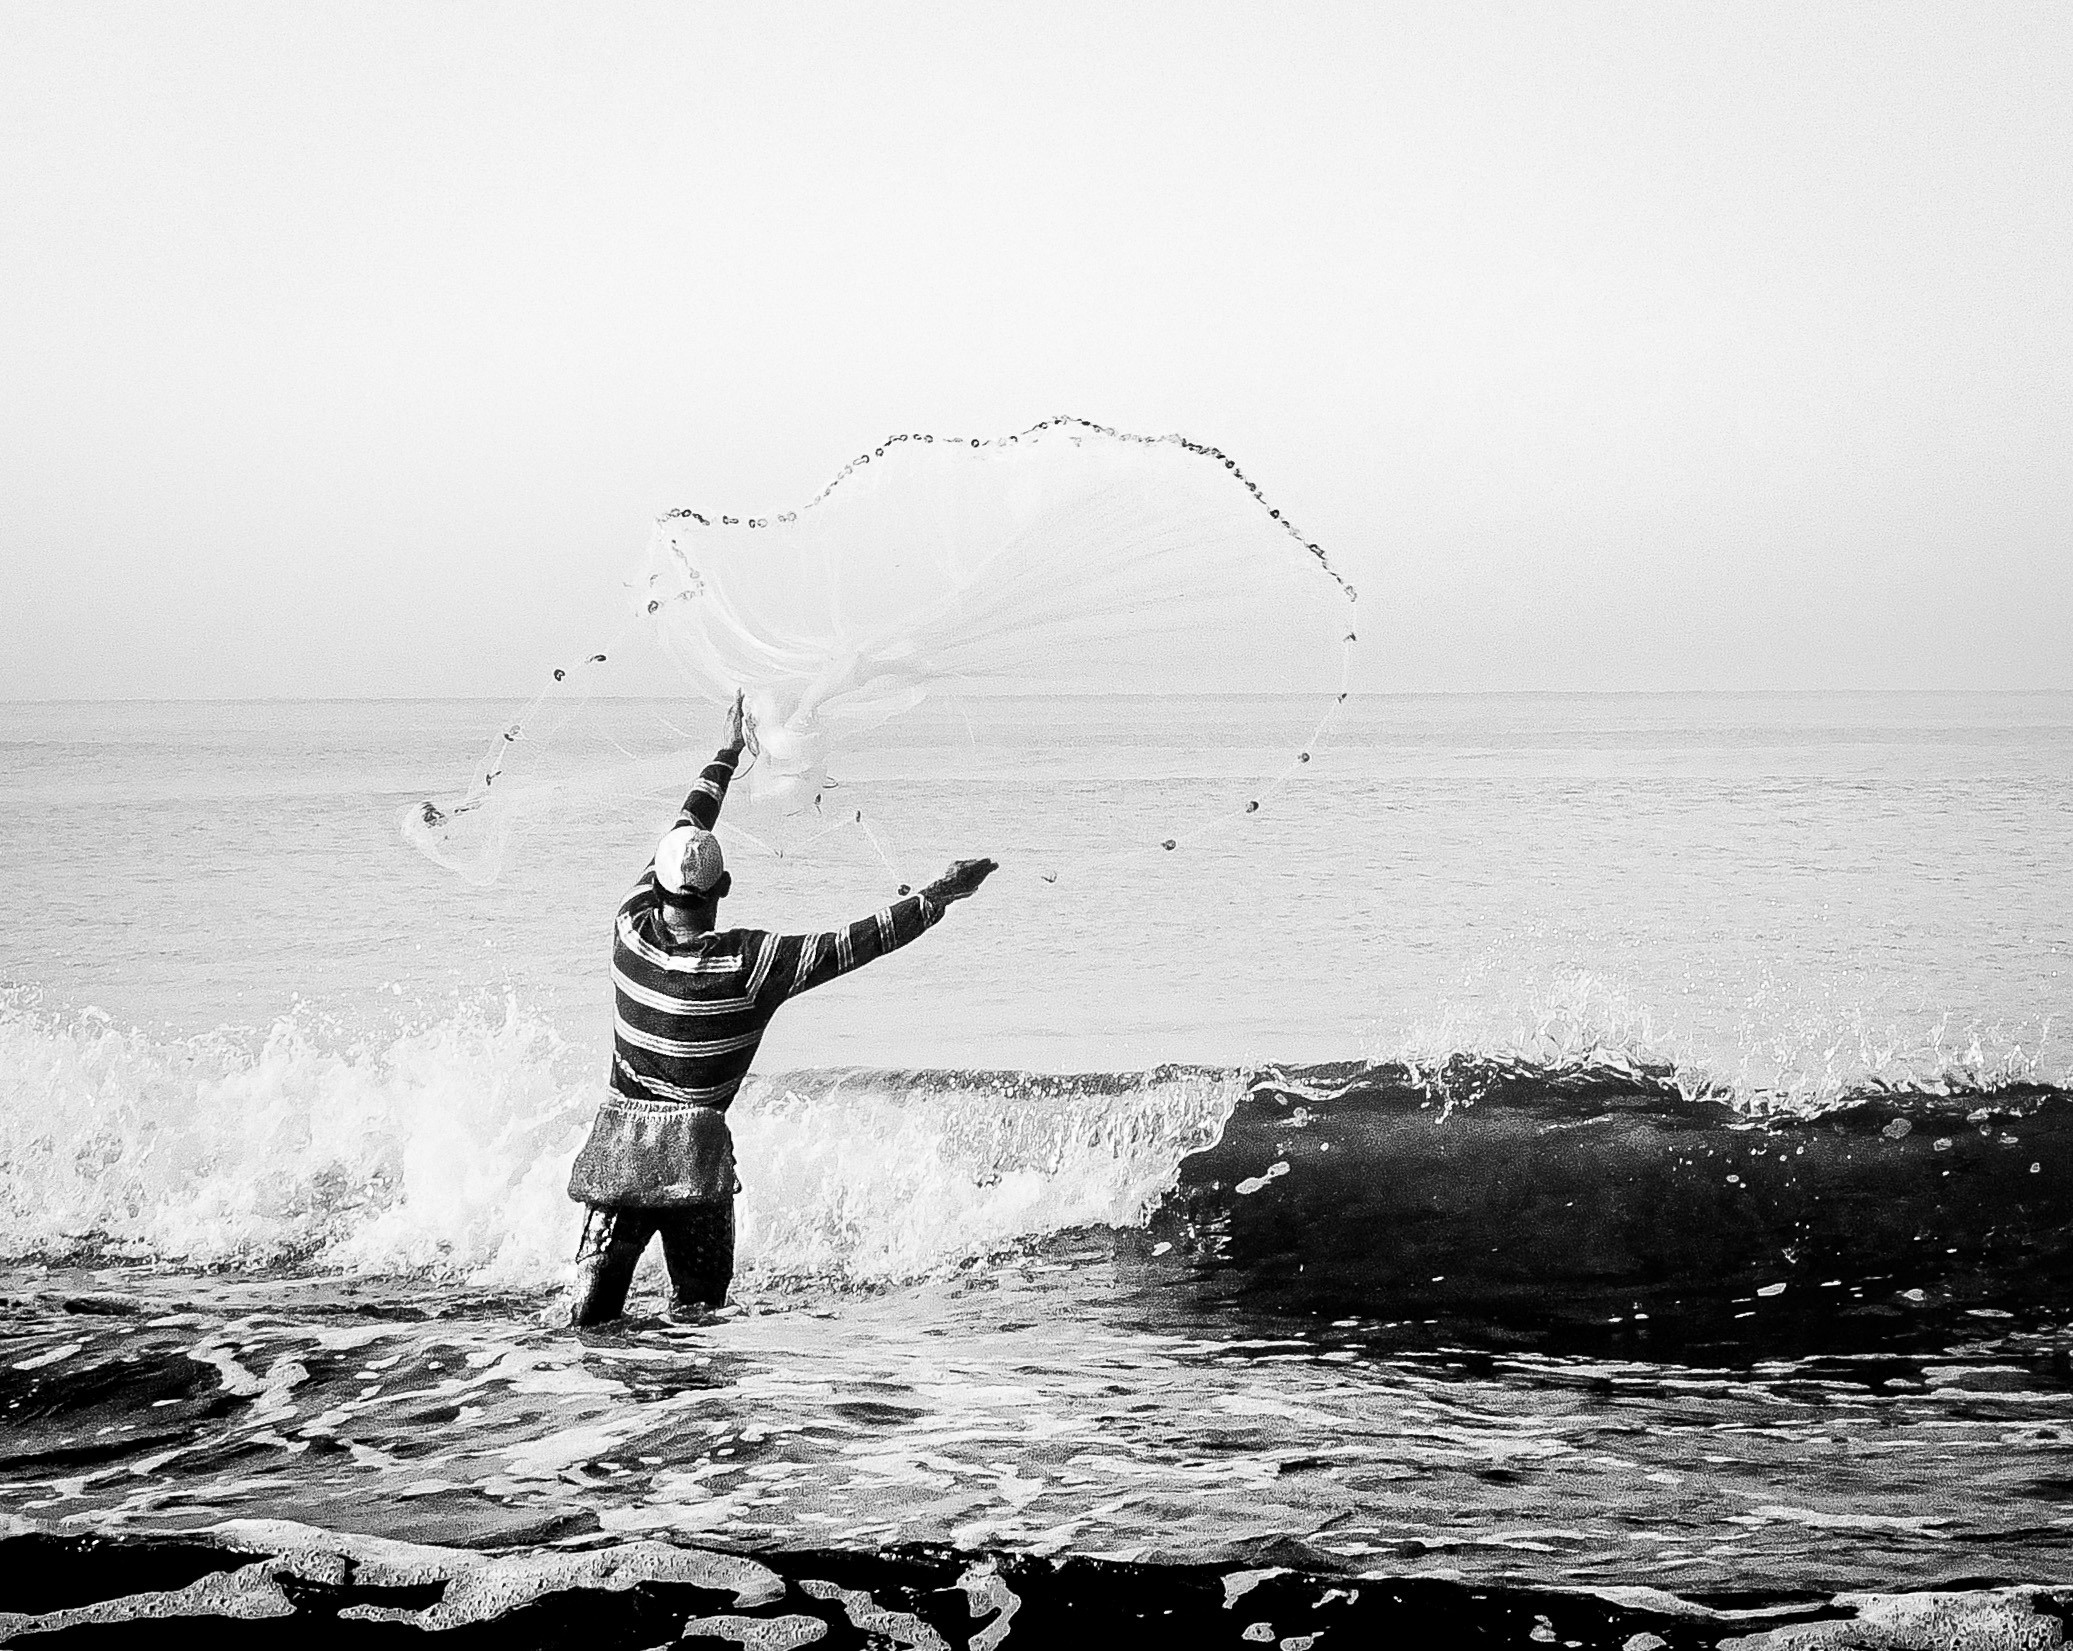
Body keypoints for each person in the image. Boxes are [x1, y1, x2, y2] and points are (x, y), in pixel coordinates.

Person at [566, 692, 996, 1326]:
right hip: (695, 1167)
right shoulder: (752, 966)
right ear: (725, 889)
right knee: (698, 1325)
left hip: (618, 1159)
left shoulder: (629, 929)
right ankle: (690, 1424)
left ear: (656, 887)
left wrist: (727, 752)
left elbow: (685, 828)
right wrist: (941, 895)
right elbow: (860, 941)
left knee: (587, 1324)